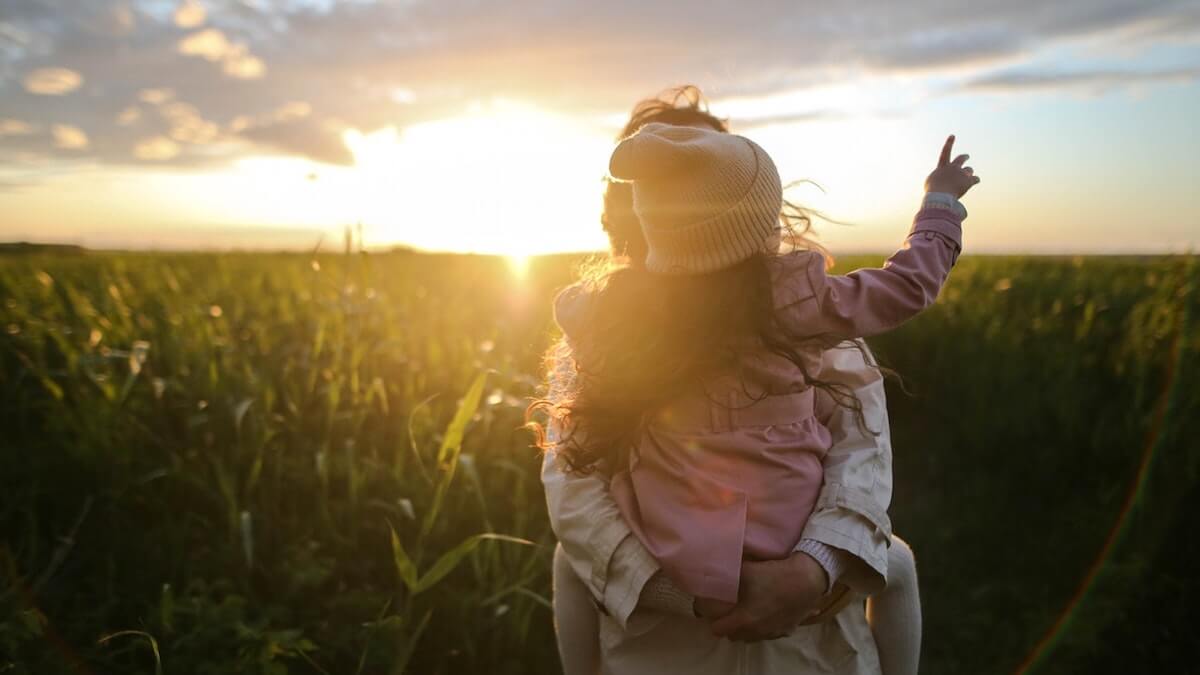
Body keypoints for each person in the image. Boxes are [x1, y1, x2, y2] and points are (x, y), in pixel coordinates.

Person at [537, 87, 975, 674]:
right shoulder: (801, 308)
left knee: (570, 563)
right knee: (897, 565)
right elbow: (574, 485)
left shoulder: (610, 319)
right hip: (666, 639)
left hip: (802, 631)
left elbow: (861, 452)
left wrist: (808, 571)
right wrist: (939, 207)